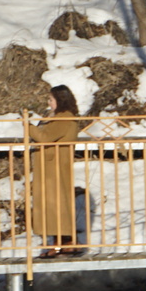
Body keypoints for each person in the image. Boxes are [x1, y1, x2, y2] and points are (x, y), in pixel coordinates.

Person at [27, 85, 94, 248]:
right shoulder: (59, 116)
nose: (49, 103)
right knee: (51, 205)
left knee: (56, 205)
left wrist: (27, 126)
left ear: (60, 100)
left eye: (51, 100)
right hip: (51, 165)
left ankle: (65, 243)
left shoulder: (64, 117)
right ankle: (56, 244)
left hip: (54, 166)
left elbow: (44, 137)